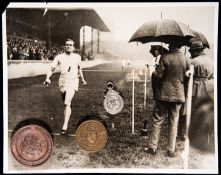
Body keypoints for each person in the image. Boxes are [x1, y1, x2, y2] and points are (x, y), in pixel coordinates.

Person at [145, 41, 190, 157]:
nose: (168, 46)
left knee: (158, 119)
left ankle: (153, 147)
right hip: (178, 95)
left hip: (163, 94)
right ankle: (171, 150)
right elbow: (187, 78)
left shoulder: (165, 57)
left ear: (173, 45)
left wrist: (154, 71)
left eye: (170, 44)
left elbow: (159, 75)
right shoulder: (186, 59)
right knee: (174, 122)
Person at [44, 39, 87, 135]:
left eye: (71, 45)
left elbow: (80, 69)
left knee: (66, 102)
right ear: (64, 46)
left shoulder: (77, 57)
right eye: (67, 45)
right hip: (62, 81)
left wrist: (83, 80)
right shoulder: (59, 57)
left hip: (73, 80)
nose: (69, 46)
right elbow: (52, 69)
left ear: (74, 47)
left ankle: (65, 126)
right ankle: (68, 107)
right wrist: (47, 78)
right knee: (67, 103)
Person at [178, 40, 214, 142]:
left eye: (192, 52)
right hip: (208, 89)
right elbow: (212, 76)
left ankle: (185, 133)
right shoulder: (211, 61)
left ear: (197, 51)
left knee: (189, 110)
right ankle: (204, 133)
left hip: (194, 88)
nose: (191, 54)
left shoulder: (193, 61)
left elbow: (186, 75)